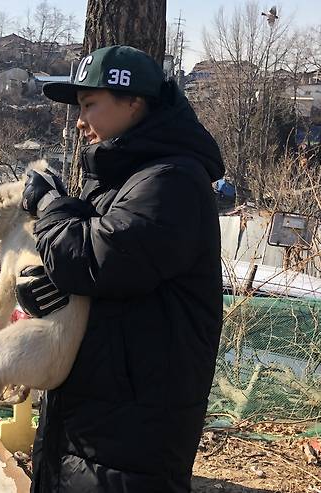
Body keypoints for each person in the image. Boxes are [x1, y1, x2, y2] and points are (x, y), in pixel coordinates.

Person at [17, 45, 225, 492]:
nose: (79, 120)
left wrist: (51, 204)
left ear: (135, 102)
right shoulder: (123, 181)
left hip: (133, 433)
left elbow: (89, 258)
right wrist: (53, 289)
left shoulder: (172, 181)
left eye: (90, 104)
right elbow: (103, 276)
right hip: (94, 417)